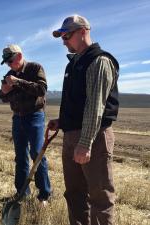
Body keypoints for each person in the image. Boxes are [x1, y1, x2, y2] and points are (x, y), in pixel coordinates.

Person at [48, 15, 119, 225]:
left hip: (93, 137)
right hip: (72, 136)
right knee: (74, 194)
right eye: (62, 37)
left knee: (99, 198)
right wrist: (62, 121)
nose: (63, 41)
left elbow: (95, 107)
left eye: (66, 35)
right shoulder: (73, 64)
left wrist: (85, 143)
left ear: (83, 31)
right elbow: (79, 102)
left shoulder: (99, 61)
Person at [0, 44, 52, 206]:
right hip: (17, 118)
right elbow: (3, 97)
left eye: (10, 61)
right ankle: (22, 192)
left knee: (37, 153)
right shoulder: (9, 74)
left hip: (35, 116)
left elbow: (41, 90)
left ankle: (44, 194)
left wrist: (19, 81)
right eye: (7, 63)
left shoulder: (35, 68)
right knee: (20, 156)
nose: (9, 65)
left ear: (19, 56)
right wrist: (4, 91)